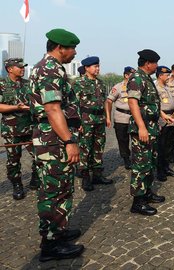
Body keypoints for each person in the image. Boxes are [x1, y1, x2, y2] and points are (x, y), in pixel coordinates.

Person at [29, 28, 84, 261]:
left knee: (61, 188)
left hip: (53, 137)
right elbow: (52, 108)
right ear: (60, 48)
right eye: (72, 48)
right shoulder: (49, 69)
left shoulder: (49, 67)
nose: (74, 53)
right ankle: (51, 244)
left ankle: (59, 230)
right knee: (53, 191)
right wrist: (69, 140)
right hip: (53, 140)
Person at [127, 49, 174, 216]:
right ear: (148, 63)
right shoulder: (137, 78)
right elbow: (133, 103)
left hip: (151, 128)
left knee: (149, 162)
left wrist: (163, 116)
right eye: (155, 63)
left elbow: (151, 104)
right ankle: (138, 202)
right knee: (141, 164)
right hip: (143, 129)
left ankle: (146, 192)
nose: (157, 66)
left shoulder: (146, 78)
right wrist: (141, 127)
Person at [73, 56, 113, 192]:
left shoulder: (100, 83)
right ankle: (85, 177)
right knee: (85, 148)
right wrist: (77, 122)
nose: (98, 69)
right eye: (95, 66)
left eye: (98, 66)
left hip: (100, 119)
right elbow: (74, 104)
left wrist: (108, 117)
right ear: (87, 68)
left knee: (98, 147)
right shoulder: (78, 83)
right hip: (85, 120)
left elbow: (105, 102)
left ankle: (97, 175)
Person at [0, 58, 38, 200]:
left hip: (30, 128)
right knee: (13, 160)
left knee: (38, 156)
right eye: (19, 67)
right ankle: (17, 185)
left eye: (23, 67)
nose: (22, 69)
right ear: (10, 69)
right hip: (11, 130)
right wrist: (16, 107)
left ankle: (35, 178)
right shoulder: (2, 85)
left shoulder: (28, 84)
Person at [106, 66, 135, 169]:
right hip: (121, 117)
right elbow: (109, 101)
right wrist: (108, 117)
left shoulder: (137, 86)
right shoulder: (118, 87)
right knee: (122, 140)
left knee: (136, 139)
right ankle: (126, 158)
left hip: (134, 118)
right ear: (126, 75)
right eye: (132, 74)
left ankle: (136, 158)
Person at [155, 66, 174, 182]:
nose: (168, 77)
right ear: (160, 75)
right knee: (161, 146)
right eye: (166, 75)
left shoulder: (166, 87)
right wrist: (163, 118)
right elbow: (155, 106)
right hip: (162, 120)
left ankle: (166, 168)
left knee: (168, 146)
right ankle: (160, 171)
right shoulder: (156, 88)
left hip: (170, 119)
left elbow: (171, 104)